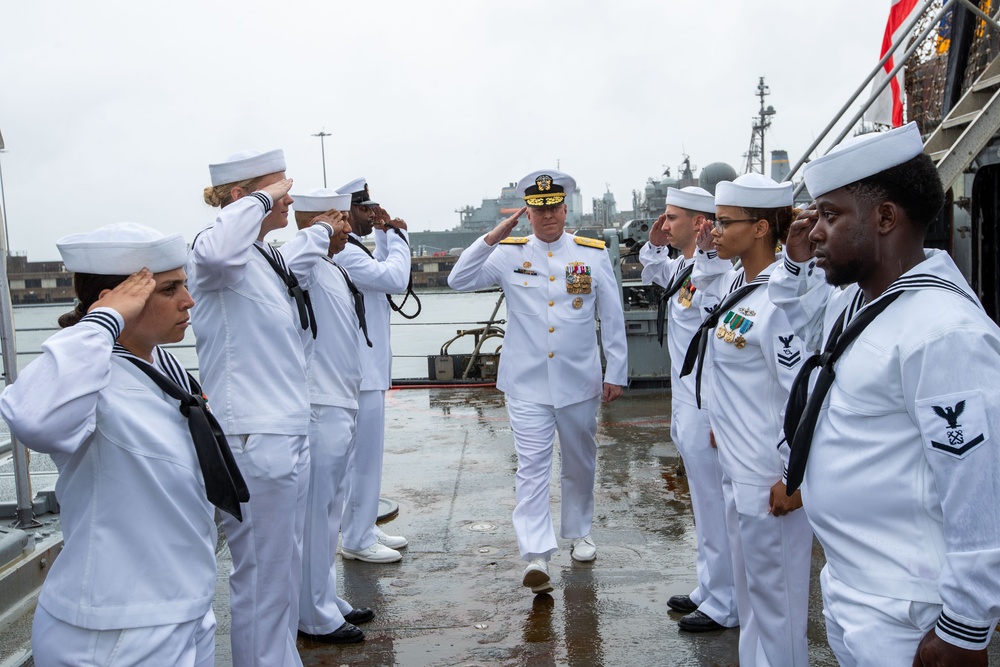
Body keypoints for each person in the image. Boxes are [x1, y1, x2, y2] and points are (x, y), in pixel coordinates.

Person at [769, 121, 1000, 666]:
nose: (816, 230)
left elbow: (979, 486)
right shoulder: (859, 302)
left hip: (910, 607)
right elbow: (800, 320)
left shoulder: (944, 332)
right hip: (855, 584)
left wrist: (966, 625)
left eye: (830, 214)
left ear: (886, 217)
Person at [0, 223, 246, 666]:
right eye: (169, 289)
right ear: (118, 300)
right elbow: (32, 418)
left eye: (185, 285)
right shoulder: (88, 375)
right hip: (115, 629)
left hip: (182, 605)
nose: (188, 301)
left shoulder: (158, 358)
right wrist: (103, 320)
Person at [447, 169, 627, 594]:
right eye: (538, 210)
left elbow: (612, 316)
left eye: (554, 209)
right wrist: (491, 237)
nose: (548, 217)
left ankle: (579, 532)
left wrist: (616, 370)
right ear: (527, 214)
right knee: (531, 467)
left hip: (579, 380)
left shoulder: (593, 253)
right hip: (526, 382)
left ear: (565, 210)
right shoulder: (509, 254)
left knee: (580, 462)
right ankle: (537, 554)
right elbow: (458, 279)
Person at [190, 149, 336, 666]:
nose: (288, 198)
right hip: (254, 435)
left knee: (282, 571)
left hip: (283, 430)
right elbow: (213, 254)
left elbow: (303, 259)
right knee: (260, 575)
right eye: (280, 190)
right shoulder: (215, 257)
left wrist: (324, 227)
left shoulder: (260, 257)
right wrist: (260, 196)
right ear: (242, 197)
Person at [680, 173, 813, 665]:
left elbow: (797, 395)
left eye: (724, 222)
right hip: (738, 472)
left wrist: (790, 476)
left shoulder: (781, 300)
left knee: (777, 610)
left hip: (768, 479)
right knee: (753, 597)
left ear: (760, 229)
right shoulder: (739, 281)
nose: (714, 231)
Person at [638, 186, 738, 633]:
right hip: (686, 402)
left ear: (699, 223)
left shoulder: (716, 272)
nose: (666, 223)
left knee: (716, 504)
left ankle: (726, 601)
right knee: (702, 500)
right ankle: (709, 584)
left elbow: (720, 349)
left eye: (673, 217)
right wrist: (658, 241)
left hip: (707, 403)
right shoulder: (685, 267)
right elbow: (655, 270)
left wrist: (719, 416)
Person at [291, 188, 374, 644]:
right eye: (338, 219)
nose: (347, 227)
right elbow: (289, 261)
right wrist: (318, 231)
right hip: (317, 403)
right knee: (314, 512)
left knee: (331, 510)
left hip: (342, 398)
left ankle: (323, 595)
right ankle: (313, 614)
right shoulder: (300, 265)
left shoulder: (332, 267)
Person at [335, 177, 411, 564]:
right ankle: (358, 537)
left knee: (362, 459)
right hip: (358, 371)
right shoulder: (344, 253)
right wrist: (397, 236)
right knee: (362, 460)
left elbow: (380, 270)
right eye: (365, 210)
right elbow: (393, 278)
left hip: (367, 368)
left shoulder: (351, 247)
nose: (371, 215)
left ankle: (362, 525)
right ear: (345, 212)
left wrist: (382, 234)